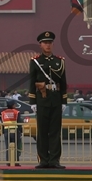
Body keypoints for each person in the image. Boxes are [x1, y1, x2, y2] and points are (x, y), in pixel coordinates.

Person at [28, 30, 68, 169]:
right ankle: (43, 160)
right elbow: (32, 81)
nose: (48, 45)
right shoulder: (35, 62)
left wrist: (64, 101)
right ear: (40, 45)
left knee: (55, 131)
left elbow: (63, 83)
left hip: (56, 99)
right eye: (45, 43)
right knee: (42, 131)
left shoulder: (60, 61)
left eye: (50, 43)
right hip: (42, 100)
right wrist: (33, 102)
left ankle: (54, 160)